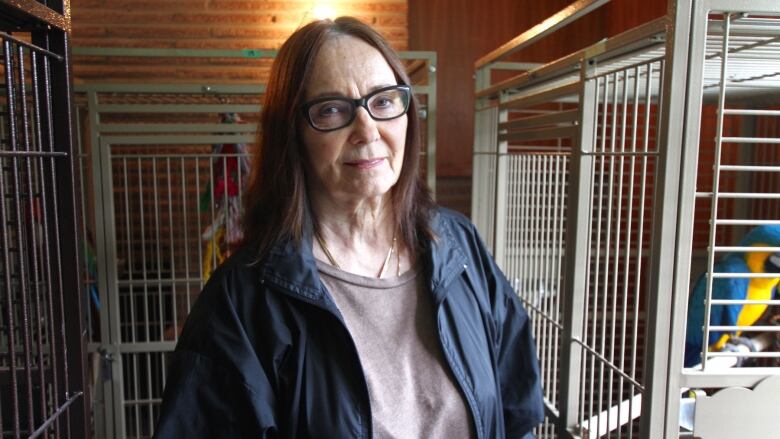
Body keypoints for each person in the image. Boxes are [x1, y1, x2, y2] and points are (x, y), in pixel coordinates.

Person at [154, 16, 544, 439]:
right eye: (332, 109)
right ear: (293, 133)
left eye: (384, 101)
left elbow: (516, 409)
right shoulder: (243, 300)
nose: (367, 130)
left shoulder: (458, 247)